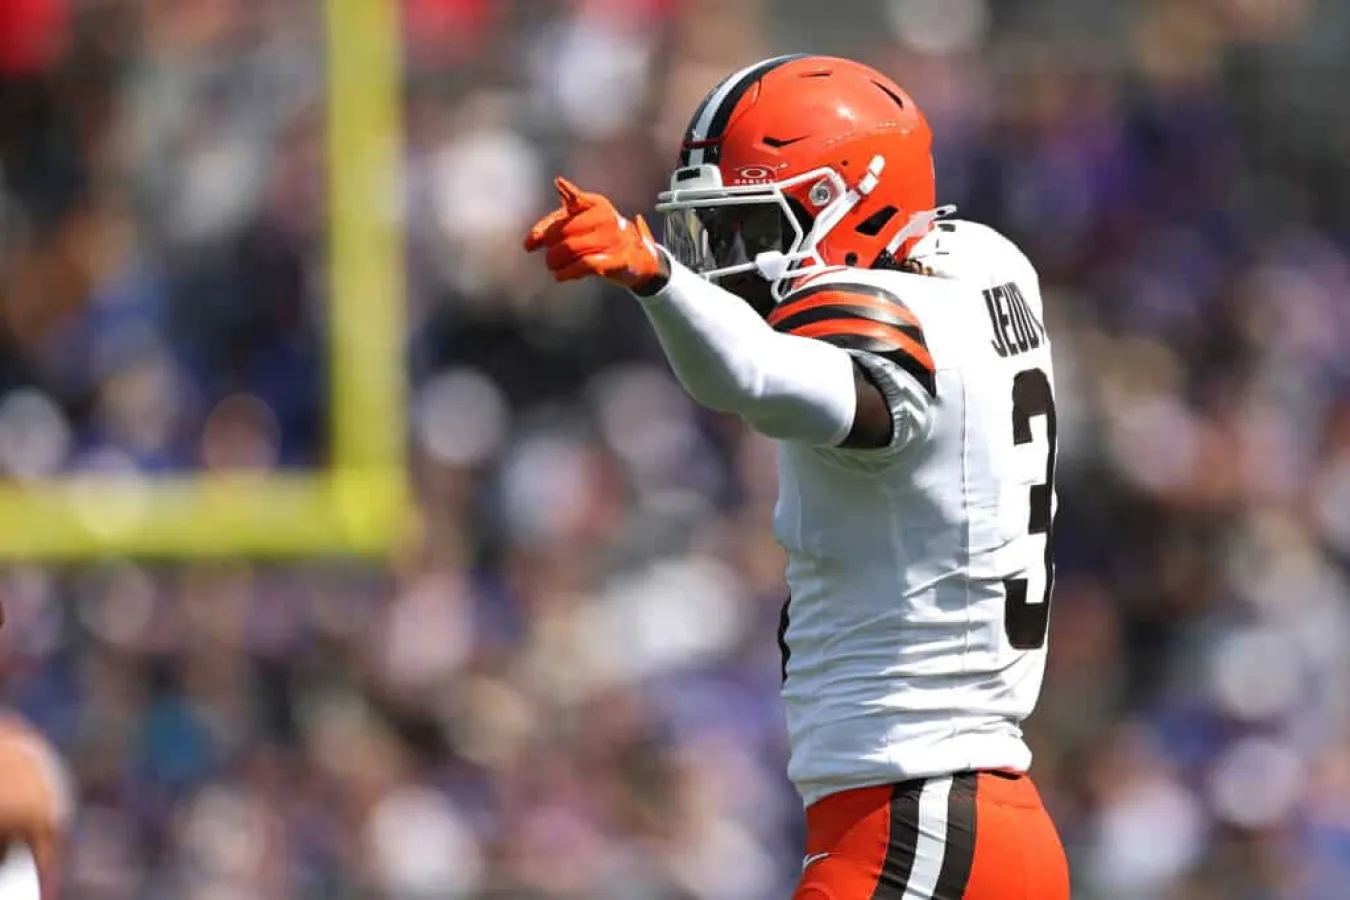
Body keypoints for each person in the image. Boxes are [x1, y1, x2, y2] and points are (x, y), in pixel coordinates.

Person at [525, 54, 1069, 900]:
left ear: (844, 203)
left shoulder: (887, 327)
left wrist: (655, 276)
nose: (732, 264)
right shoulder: (987, 269)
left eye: (752, 233)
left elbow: (753, 376)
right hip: (969, 821)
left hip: (916, 824)